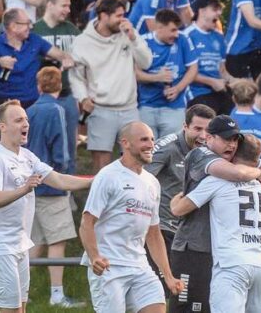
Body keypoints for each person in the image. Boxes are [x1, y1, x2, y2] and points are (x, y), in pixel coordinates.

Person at [168, 115, 261, 313]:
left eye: (234, 140)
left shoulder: (224, 175)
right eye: (226, 139)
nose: (231, 144)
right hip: (201, 248)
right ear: (209, 138)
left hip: (228, 260)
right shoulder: (202, 155)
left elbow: (177, 209)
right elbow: (245, 173)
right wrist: (259, 173)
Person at [0, 100, 92, 313]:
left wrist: (94, 181)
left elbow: (59, 180)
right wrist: (25, 188)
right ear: (2, 126)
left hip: (20, 244)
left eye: (26, 120)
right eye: (19, 120)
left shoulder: (27, 157)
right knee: (12, 310)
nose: (25, 124)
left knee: (21, 308)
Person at [79, 121, 184, 313]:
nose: (151, 144)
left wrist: (168, 276)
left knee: (158, 307)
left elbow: (153, 234)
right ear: (125, 143)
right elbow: (87, 222)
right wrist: (94, 257)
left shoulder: (152, 182)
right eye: (144, 139)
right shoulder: (108, 176)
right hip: (110, 266)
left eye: (152, 139)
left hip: (139, 265)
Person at [170, 134, 261, 312]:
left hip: (231, 265)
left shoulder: (217, 180)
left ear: (233, 154)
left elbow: (179, 209)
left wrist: (176, 198)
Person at [25, 67, 85, 308]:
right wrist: (65, 176)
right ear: (59, 86)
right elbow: (61, 149)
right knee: (57, 240)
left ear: (39, 86)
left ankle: (21, 291)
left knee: (35, 241)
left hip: (31, 185)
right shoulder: (57, 109)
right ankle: (57, 295)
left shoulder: (28, 111)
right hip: (53, 185)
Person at [69, 0, 151, 170]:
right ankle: (102, 197)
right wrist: (83, 98)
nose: (123, 20)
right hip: (100, 109)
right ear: (103, 15)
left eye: (123, 15)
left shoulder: (127, 34)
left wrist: (133, 38)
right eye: (118, 16)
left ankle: (132, 197)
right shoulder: (82, 42)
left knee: (135, 161)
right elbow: (76, 76)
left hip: (129, 108)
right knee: (101, 164)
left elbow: (146, 62)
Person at [146, 104, 216, 285]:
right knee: (161, 289)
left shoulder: (213, 149)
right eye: (197, 129)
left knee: (185, 290)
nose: (202, 135)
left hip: (192, 233)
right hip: (163, 229)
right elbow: (141, 178)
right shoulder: (167, 147)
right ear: (185, 126)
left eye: (207, 130)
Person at [32, 0, 81, 172]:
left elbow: (83, 59)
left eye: (69, 6)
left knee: (69, 147)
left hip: (67, 94)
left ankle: (67, 193)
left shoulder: (72, 31)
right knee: (40, 145)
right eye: (64, 5)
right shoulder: (35, 30)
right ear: (50, 5)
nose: (68, 10)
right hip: (40, 96)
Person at [0, 8, 74, 110]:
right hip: (7, 104)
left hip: (34, 102)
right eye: (27, 24)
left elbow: (61, 55)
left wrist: (67, 60)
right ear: (13, 26)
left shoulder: (34, 40)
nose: (31, 27)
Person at [136, 9, 198, 140]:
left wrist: (178, 88)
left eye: (177, 30)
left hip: (175, 107)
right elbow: (135, 74)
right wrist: (156, 78)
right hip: (147, 105)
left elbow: (193, 69)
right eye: (172, 30)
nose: (176, 34)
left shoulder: (183, 39)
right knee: (147, 151)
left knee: (172, 150)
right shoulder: (143, 42)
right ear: (159, 27)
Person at [183, 0, 236, 115]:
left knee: (234, 116)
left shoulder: (219, 37)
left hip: (219, 91)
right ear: (201, 11)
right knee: (209, 120)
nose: (218, 13)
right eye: (214, 9)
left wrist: (236, 82)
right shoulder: (187, 36)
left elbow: (222, 71)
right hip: (197, 92)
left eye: (219, 10)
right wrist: (212, 82)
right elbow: (185, 72)